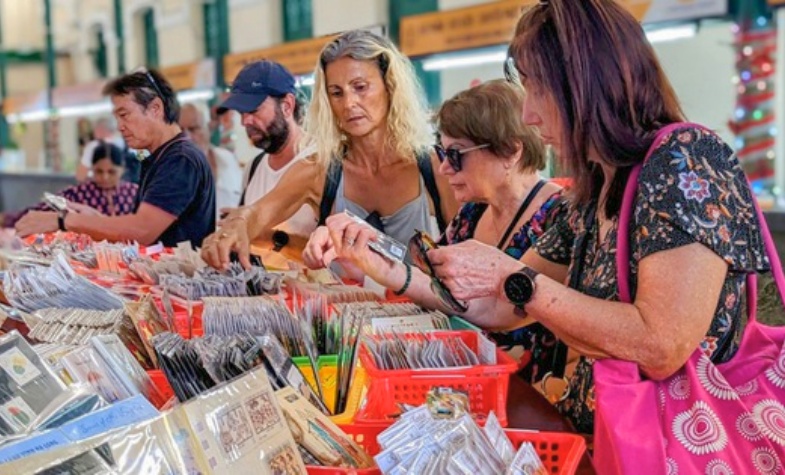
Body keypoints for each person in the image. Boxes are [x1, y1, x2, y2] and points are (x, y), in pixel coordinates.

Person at [326, 0, 769, 437]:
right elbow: (501, 306)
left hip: (676, 444)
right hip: (608, 438)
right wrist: (386, 267)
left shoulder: (683, 161)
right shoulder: (595, 189)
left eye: (538, 89)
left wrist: (514, 277)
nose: (527, 114)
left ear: (586, 83)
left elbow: (661, 344)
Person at [309, 80, 566, 383]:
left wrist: (382, 267)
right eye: (441, 154)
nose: (444, 169)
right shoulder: (474, 212)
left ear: (510, 151)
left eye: (456, 156)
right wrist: (365, 257)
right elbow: (430, 283)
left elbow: (500, 311)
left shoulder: (557, 217)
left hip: (528, 394)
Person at [202, 30, 457, 269]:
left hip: (425, 316)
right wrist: (236, 227)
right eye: (336, 93)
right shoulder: (320, 169)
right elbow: (258, 212)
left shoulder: (434, 167)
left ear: (389, 86)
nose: (349, 103)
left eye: (360, 87)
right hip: (340, 316)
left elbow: (466, 250)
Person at [16, 69, 216, 247]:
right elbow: (148, 228)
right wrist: (96, 220)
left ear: (155, 108)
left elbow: (142, 231)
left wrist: (63, 220)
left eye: (124, 115)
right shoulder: (161, 157)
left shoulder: (179, 160)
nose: (119, 126)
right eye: (117, 117)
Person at [215, 60, 317, 237]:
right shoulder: (253, 168)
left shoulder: (321, 162)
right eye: (241, 113)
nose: (245, 121)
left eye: (253, 111)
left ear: (287, 106)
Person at [4, 142, 138, 228]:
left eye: (112, 172)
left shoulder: (135, 194)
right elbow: (41, 210)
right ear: (91, 168)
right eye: (99, 171)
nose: (105, 177)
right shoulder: (78, 193)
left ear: (123, 170)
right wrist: (7, 220)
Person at [179, 103, 243, 217]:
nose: (186, 137)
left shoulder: (228, 159)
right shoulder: (170, 171)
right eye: (181, 130)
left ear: (208, 127)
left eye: (193, 129)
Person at [75, 117, 139, 184]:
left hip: (103, 190)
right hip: (129, 189)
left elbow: (81, 176)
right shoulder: (129, 143)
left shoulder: (93, 146)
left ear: (99, 130)